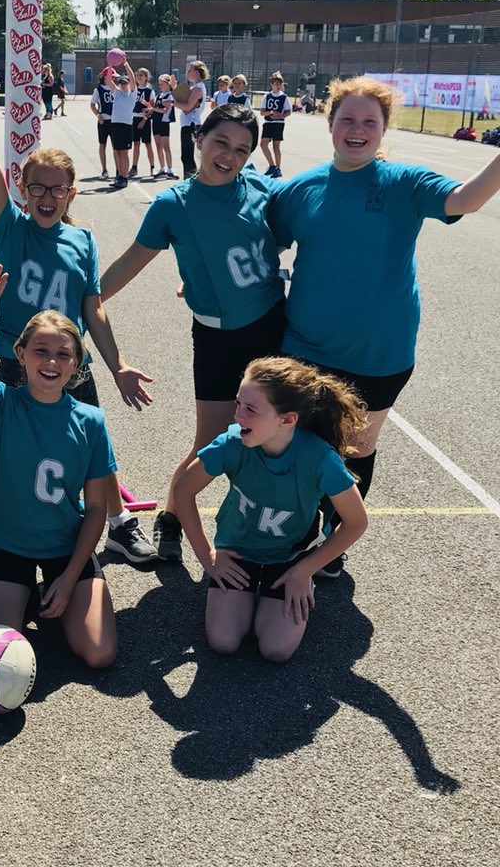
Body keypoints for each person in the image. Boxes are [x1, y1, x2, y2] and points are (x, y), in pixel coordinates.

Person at [0, 43, 156, 569]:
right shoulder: (11, 228)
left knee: (94, 443)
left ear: (72, 193)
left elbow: (93, 310)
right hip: (16, 358)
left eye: (57, 189)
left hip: (72, 362)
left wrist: (117, 365)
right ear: (22, 190)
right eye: (37, 188)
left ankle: (119, 524)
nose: (47, 197)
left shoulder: (83, 240)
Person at [268, 75, 500, 573]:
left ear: (383, 129)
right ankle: (301, 530)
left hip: (380, 350)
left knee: (356, 448)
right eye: (347, 119)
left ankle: (332, 543)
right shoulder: (298, 191)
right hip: (305, 345)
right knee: (301, 443)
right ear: (330, 123)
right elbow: (263, 247)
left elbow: (466, 199)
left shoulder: (405, 183)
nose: (357, 130)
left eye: (369, 122)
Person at [101, 105, 285, 562]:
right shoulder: (173, 204)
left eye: (242, 149)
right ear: (199, 138)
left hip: (272, 329)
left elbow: (286, 237)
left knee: (277, 437)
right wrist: (87, 302)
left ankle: (275, 532)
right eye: (221, 142)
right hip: (218, 338)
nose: (229, 156)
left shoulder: (262, 188)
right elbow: (130, 262)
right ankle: (171, 515)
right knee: (212, 441)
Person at [0, 265, 118, 668]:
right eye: (40, 351)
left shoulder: (91, 421)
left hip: (65, 547)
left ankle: (48, 593)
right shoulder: (1, 403)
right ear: (20, 354)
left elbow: (95, 509)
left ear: (76, 363)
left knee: (99, 653)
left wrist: (69, 578)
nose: (51, 361)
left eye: (63, 354)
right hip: (8, 546)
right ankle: (19, 594)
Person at [173, 356, 368, 662]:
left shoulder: (319, 458)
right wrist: (208, 557)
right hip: (237, 554)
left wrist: (305, 570)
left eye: (250, 410)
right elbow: (183, 491)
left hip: (290, 559)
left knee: (275, 649)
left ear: (287, 419)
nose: (238, 416)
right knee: (224, 641)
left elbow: (356, 522)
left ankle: (289, 587)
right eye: (238, 404)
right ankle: (248, 596)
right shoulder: (231, 444)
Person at [172, 60, 209, 178]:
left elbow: (188, 106)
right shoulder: (194, 87)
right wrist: (174, 88)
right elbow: (184, 101)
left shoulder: (198, 88)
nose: (187, 72)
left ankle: (190, 182)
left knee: (187, 156)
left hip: (191, 124)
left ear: (197, 72)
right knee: (186, 156)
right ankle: (190, 180)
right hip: (188, 124)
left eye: (190, 70)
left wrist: (172, 103)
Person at [108, 59, 138, 189]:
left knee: (124, 152)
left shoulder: (132, 94)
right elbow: (108, 81)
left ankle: (124, 177)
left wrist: (126, 65)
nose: (123, 85)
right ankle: (119, 175)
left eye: (125, 83)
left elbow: (133, 79)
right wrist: (110, 66)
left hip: (126, 125)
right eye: (121, 83)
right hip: (115, 124)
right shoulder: (117, 93)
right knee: (117, 151)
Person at [259, 71, 291, 178]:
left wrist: (281, 116)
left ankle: (278, 168)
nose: (277, 86)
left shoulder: (284, 97)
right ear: (271, 84)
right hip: (268, 123)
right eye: (275, 83)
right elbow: (262, 112)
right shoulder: (267, 96)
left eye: (279, 84)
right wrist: (271, 112)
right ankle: (272, 166)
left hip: (278, 124)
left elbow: (288, 111)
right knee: (263, 144)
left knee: (276, 147)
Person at [131, 67, 157, 178]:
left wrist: (144, 120)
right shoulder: (134, 90)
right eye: (137, 75)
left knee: (148, 144)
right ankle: (134, 167)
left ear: (146, 77)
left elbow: (152, 108)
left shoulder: (149, 91)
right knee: (136, 144)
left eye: (141, 75)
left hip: (144, 119)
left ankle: (152, 167)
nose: (138, 77)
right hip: (135, 118)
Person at [90, 68, 115, 178]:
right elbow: (92, 104)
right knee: (102, 144)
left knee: (116, 146)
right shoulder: (98, 90)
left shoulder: (116, 88)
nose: (113, 78)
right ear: (105, 77)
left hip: (114, 121)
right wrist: (98, 115)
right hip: (103, 120)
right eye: (111, 76)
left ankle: (118, 169)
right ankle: (104, 169)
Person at [153, 74, 178, 180]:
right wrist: (150, 108)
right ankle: (162, 168)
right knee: (158, 146)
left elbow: (165, 110)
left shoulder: (170, 96)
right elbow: (155, 108)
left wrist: (153, 109)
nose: (160, 86)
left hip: (164, 122)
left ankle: (170, 170)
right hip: (156, 122)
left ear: (168, 84)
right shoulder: (158, 96)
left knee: (166, 146)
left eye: (162, 84)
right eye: (159, 84)